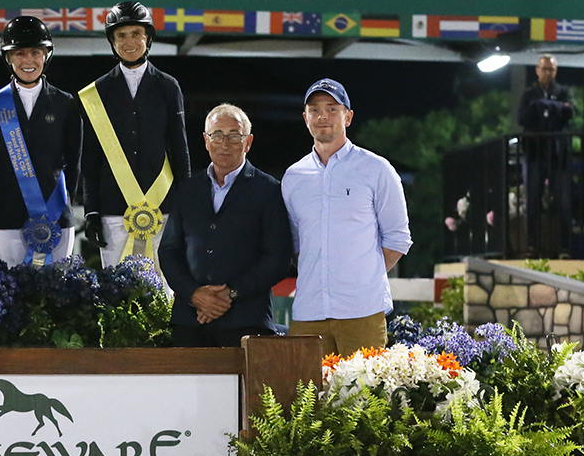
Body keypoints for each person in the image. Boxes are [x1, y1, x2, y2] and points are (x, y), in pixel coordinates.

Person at [282, 79, 412, 357]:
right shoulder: (293, 177)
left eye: (332, 108)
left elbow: (398, 239)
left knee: (364, 399)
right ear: (305, 118)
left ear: (348, 116)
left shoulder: (377, 169)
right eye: (314, 109)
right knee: (302, 396)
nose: (322, 116)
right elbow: (294, 242)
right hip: (308, 311)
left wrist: (362, 277)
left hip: (362, 311)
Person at [160, 104, 293, 347]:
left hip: (247, 322)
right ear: (205, 140)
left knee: (245, 388)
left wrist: (230, 293)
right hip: (189, 322)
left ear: (248, 142)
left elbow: (278, 257)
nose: (225, 143)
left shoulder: (270, 190)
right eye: (217, 134)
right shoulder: (186, 190)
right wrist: (194, 295)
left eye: (234, 135)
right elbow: (168, 252)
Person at [79, 1, 190, 274]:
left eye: (136, 34)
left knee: (163, 295)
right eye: (121, 35)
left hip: (162, 209)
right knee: (117, 298)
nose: (129, 42)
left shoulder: (168, 86)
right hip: (113, 211)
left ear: (148, 38)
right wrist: (91, 211)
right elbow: (90, 157)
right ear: (112, 42)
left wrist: (187, 207)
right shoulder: (98, 92)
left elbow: (180, 149)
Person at [0, 16, 82, 268]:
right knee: (7, 296)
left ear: (46, 56)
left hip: (54, 218)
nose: (28, 60)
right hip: (4, 216)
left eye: (35, 52)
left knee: (53, 295)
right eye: (20, 53)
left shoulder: (65, 104)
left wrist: (64, 200)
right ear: (8, 58)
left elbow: (74, 160)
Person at [517, 54, 576, 256]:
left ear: (556, 71)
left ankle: (564, 248)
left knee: (563, 203)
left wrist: (545, 106)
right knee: (532, 201)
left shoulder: (563, 91)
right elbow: (522, 117)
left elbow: (571, 111)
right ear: (537, 70)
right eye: (544, 69)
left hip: (559, 155)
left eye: (551, 69)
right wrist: (552, 108)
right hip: (535, 154)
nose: (547, 73)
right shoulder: (529, 93)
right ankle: (532, 246)